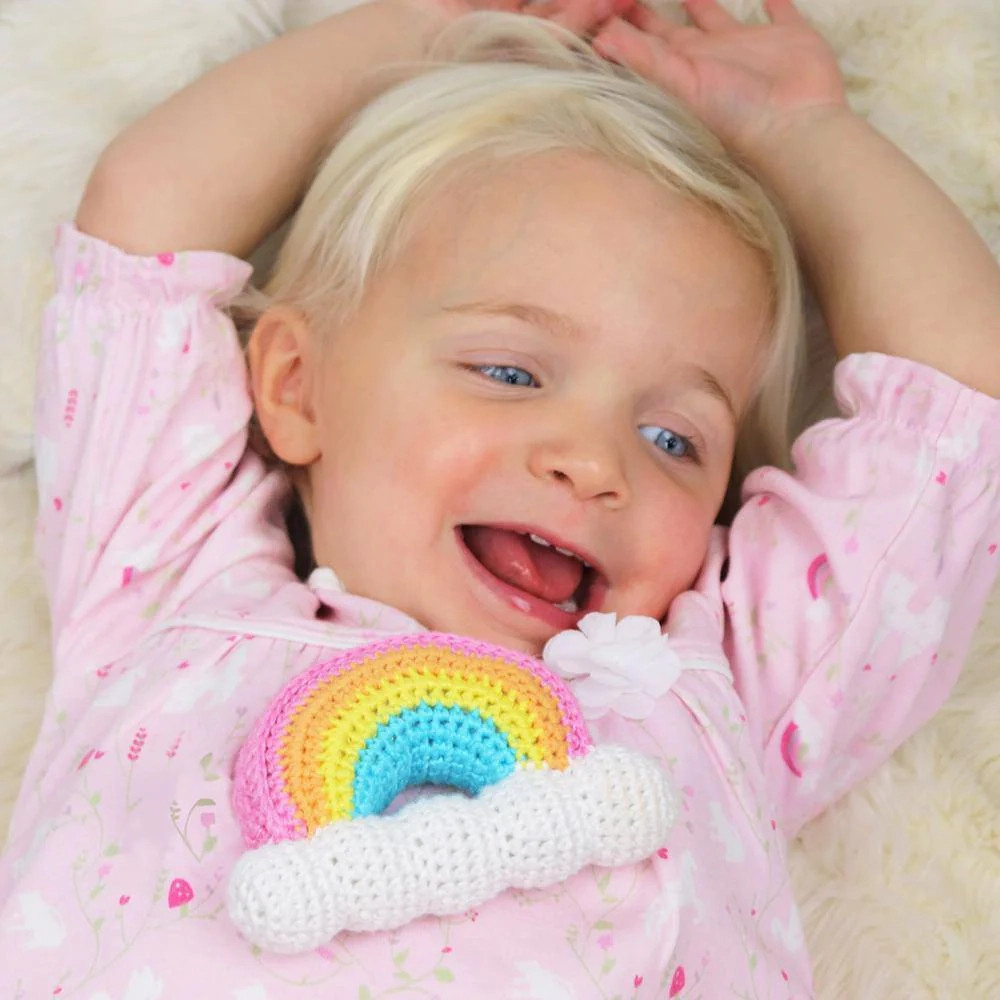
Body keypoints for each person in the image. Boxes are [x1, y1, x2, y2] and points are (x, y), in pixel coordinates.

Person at [2, 0, 998, 993]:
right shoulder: (170, 578)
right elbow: (144, 231)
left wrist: (805, 137)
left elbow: (951, 414)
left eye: (672, 439)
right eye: (509, 372)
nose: (594, 461)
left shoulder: (721, 687)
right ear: (298, 386)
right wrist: (424, 31)